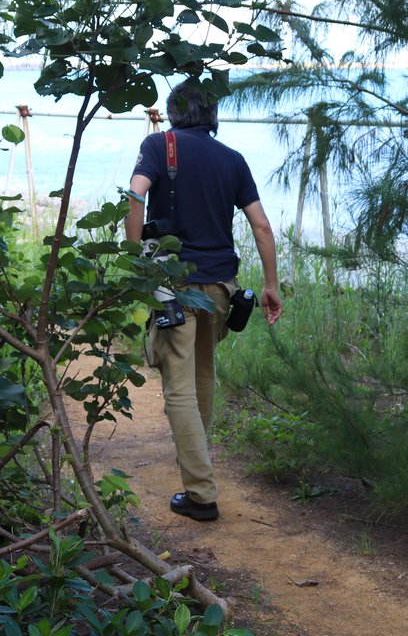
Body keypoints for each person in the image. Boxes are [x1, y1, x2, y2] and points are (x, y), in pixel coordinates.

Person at [125, 79, 283, 522]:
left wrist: (138, 260)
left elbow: (137, 194)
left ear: (174, 112)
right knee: (203, 376)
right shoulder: (233, 159)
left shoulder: (159, 145)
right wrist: (270, 285)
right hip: (220, 288)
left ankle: (200, 494)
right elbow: (262, 226)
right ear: (211, 114)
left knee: (178, 386)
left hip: (172, 285)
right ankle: (196, 464)